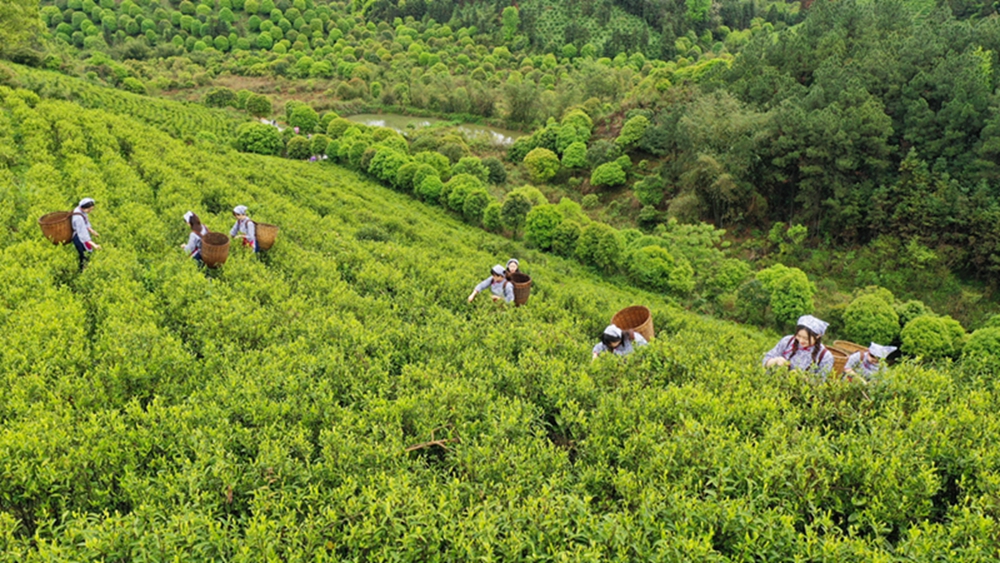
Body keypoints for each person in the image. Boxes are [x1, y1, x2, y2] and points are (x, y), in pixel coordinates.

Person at [762, 315, 834, 378]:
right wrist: (775, 361)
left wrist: (801, 377)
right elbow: (766, 359)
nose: (801, 341)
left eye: (806, 338)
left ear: (818, 336)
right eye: (798, 336)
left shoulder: (825, 356)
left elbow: (821, 382)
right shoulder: (787, 341)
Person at [70, 197, 101, 271]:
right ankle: (83, 271)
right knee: (84, 255)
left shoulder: (80, 210)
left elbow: (86, 223)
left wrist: (92, 231)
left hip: (80, 235)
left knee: (86, 254)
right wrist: (94, 245)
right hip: (78, 237)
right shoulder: (78, 218)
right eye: (89, 209)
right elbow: (83, 235)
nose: (90, 211)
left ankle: (84, 269)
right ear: (84, 207)